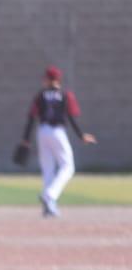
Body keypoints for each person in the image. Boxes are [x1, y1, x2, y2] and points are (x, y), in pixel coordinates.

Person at [18, 65, 97, 217]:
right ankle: (50, 196)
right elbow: (71, 117)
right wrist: (81, 136)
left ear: (50, 79)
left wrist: (26, 139)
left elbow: (31, 118)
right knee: (68, 166)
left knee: (48, 169)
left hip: (42, 132)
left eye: (45, 77)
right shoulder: (66, 95)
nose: (43, 80)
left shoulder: (40, 96)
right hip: (58, 132)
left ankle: (49, 206)